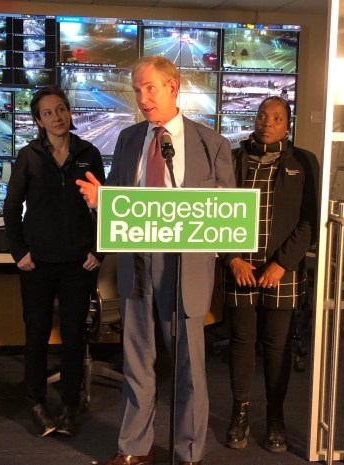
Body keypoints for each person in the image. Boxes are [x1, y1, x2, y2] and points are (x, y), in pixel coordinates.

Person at [76, 56, 234, 465]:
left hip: (185, 267)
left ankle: (189, 452)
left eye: (149, 88)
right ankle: (134, 448)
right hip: (138, 264)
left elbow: (227, 216)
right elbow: (120, 207)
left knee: (189, 368)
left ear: (172, 87)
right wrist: (100, 203)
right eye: (137, 90)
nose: (143, 99)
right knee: (137, 360)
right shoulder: (129, 140)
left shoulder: (210, 143)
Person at [3, 85, 105, 438]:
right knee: (36, 337)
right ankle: (36, 401)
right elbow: (12, 207)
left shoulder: (88, 153)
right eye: (48, 113)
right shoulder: (28, 155)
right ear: (38, 120)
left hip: (79, 264)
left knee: (74, 338)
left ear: (69, 112)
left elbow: (103, 206)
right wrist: (20, 252)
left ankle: (71, 406)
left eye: (61, 109)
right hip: (38, 264)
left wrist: (99, 249)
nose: (57, 117)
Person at [221, 96, 319, 452]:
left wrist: (282, 264)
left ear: (287, 124)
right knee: (242, 343)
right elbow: (215, 214)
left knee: (277, 347)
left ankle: (275, 418)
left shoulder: (304, 162)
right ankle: (240, 413)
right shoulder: (232, 158)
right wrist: (232, 258)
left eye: (277, 117)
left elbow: (310, 221)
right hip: (241, 270)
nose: (268, 122)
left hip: (283, 271)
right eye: (263, 115)